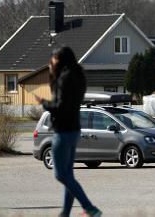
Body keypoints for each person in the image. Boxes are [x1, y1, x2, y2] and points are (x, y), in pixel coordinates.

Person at [37, 46, 102, 217]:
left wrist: (44, 102)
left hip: (63, 131)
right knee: (69, 175)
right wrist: (53, 74)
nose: (53, 61)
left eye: (55, 59)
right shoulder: (78, 76)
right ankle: (65, 213)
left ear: (62, 60)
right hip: (74, 130)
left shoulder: (64, 79)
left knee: (61, 175)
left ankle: (89, 207)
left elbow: (59, 106)